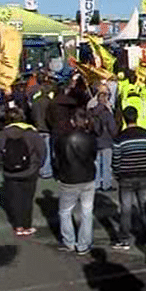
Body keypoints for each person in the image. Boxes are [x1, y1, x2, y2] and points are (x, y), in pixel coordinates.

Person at [111, 106, 146, 250]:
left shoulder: (120, 138)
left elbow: (116, 160)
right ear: (137, 117)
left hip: (125, 177)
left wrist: (117, 173)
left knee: (126, 209)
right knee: (145, 206)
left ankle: (124, 239)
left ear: (125, 119)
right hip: (144, 175)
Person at [0, 106, 46, 236]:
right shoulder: (32, 133)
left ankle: (18, 225)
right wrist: (37, 165)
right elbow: (42, 151)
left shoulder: (3, 134)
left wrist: (5, 163)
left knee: (14, 199)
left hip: (10, 171)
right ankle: (26, 225)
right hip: (30, 170)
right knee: (27, 199)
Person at [55, 108, 98, 255]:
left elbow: (58, 158)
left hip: (69, 178)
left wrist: (58, 173)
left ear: (72, 122)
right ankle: (84, 244)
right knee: (87, 211)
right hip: (87, 177)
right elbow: (93, 156)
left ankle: (69, 241)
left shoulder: (62, 138)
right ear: (85, 121)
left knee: (65, 211)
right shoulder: (91, 138)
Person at [89, 86, 117, 192]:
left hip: (95, 141)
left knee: (96, 163)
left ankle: (96, 184)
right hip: (106, 141)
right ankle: (106, 184)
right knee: (106, 165)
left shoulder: (92, 112)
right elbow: (112, 128)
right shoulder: (107, 113)